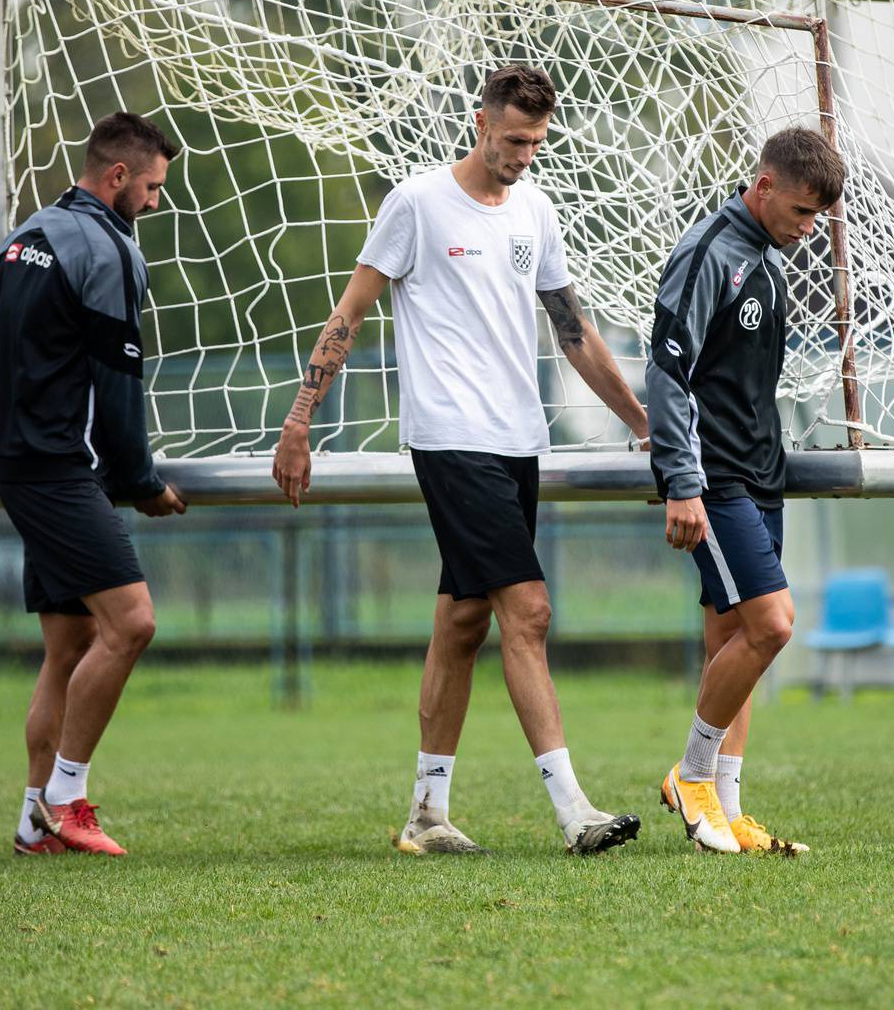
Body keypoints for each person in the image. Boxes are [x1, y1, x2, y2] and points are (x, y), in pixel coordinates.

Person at [273, 65, 648, 855]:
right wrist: (299, 420)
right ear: (481, 123)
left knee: (464, 617)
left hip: (518, 441)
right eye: (515, 139)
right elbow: (349, 312)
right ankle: (574, 811)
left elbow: (574, 332)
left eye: (538, 142)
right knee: (531, 612)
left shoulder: (537, 211)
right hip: (450, 439)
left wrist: (642, 422)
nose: (526, 154)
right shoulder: (415, 203)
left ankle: (426, 814)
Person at [0, 111, 188, 858]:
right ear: (117, 177)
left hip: (20, 460)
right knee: (132, 623)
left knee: (69, 641)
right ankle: (66, 798)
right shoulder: (108, 249)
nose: (157, 203)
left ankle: (31, 823)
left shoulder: (23, 238)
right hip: (60, 469)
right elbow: (117, 380)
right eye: (154, 188)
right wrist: (140, 481)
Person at [647, 128, 844, 855]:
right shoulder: (709, 254)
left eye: (819, 216)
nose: (809, 227)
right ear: (763, 188)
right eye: (801, 210)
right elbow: (668, 371)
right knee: (773, 625)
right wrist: (682, 483)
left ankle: (725, 810)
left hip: (759, 478)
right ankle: (692, 773)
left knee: (736, 644)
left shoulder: (768, 261)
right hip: (715, 481)